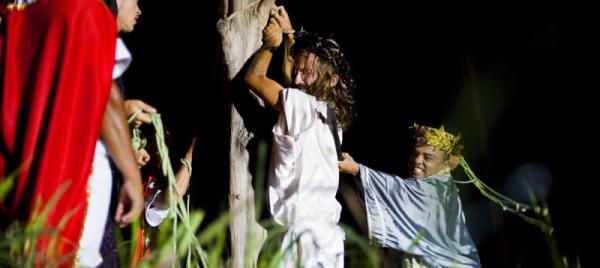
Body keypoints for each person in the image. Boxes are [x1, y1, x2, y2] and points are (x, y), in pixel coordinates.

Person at [0, 0, 141, 265]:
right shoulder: (85, 11)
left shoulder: (16, 13)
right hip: (72, 184)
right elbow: (106, 97)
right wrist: (131, 174)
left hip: (22, 178)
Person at [244, 6, 355, 267]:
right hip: (329, 244)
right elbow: (292, 84)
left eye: (307, 72)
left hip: (300, 242)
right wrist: (290, 36)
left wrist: (270, 46)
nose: (298, 78)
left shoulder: (300, 107)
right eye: (298, 70)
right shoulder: (332, 119)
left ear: (332, 80)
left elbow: (254, 77)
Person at [338, 123, 481, 267]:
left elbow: (398, 190)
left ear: (444, 164)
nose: (417, 160)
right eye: (415, 154)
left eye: (428, 157)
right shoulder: (437, 187)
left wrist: (357, 169)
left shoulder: (437, 189)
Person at [77, 0, 145, 265]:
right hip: (83, 187)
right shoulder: (89, 15)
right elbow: (102, 96)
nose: (139, 10)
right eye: (135, 1)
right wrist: (131, 175)